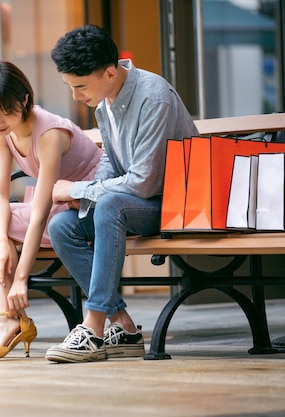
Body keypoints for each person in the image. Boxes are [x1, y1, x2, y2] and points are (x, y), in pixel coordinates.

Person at [45, 24, 199, 363]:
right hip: (134, 204)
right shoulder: (105, 104)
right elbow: (110, 166)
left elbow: (144, 182)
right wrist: (83, 197)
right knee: (61, 226)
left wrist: (79, 188)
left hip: (175, 205)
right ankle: (124, 327)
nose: (75, 97)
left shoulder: (153, 97)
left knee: (110, 203)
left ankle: (93, 327)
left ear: (111, 72)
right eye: (69, 87)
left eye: (80, 86)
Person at [0, 61, 103, 361]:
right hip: (56, 205)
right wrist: (3, 240)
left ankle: (5, 317)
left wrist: (21, 279)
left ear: (24, 99)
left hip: (85, 209)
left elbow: (40, 213)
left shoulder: (48, 134)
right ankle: (5, 314)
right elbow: (0, 193)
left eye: (6, 111)